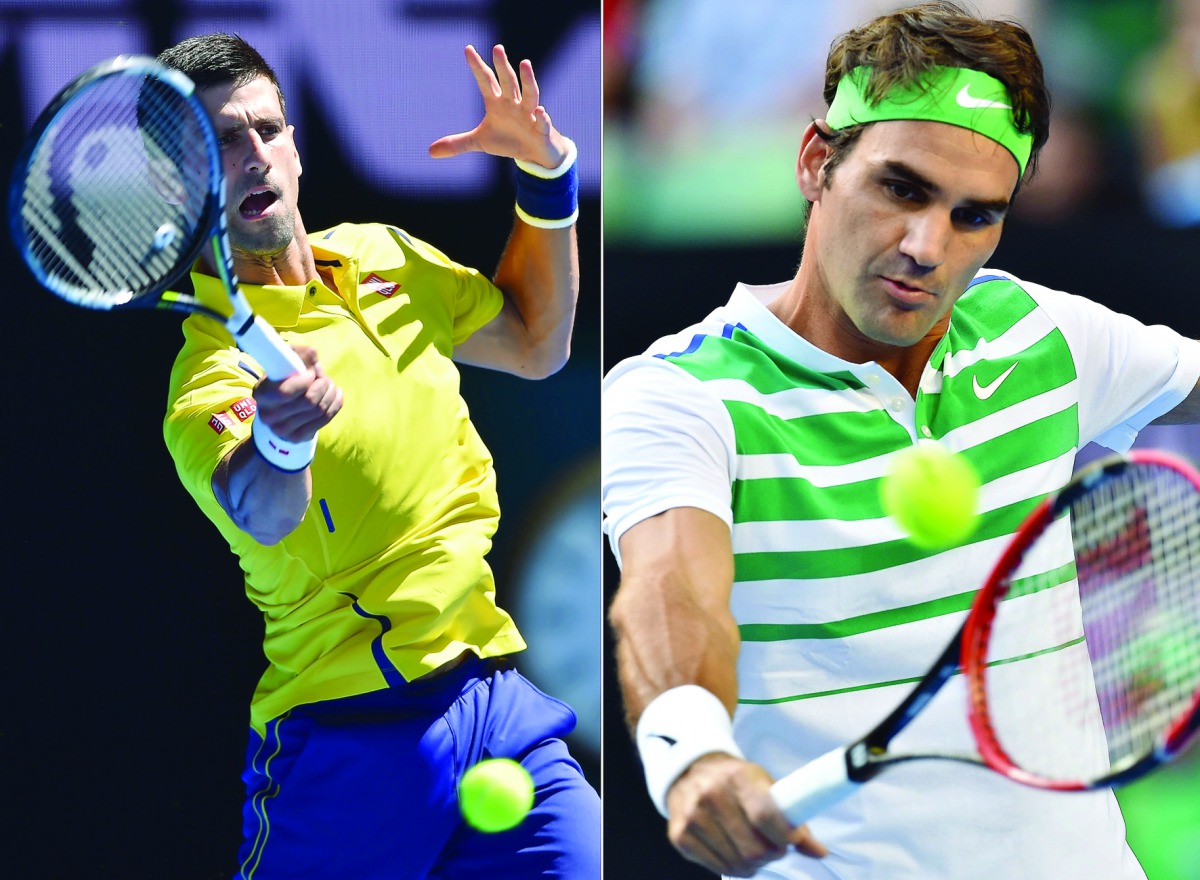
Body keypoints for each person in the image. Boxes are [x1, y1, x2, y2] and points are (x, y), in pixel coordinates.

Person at [601, 2, 1200, 879]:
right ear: (817, 162)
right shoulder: (679, 395)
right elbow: (669, 589)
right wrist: (690, 749)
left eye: (975, 216)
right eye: (901, 188)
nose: (928, 247)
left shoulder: (1044, 336)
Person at [156, 33, 600, 879]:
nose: (255, 157)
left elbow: (538, 341)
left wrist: (547, 177)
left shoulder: (382, 255)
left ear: (294, 145)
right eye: (221, 141)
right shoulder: (209, 373)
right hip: (348, 739)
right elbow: (262, 507)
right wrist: (283, 438)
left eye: (267, 129)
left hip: (496, 705)